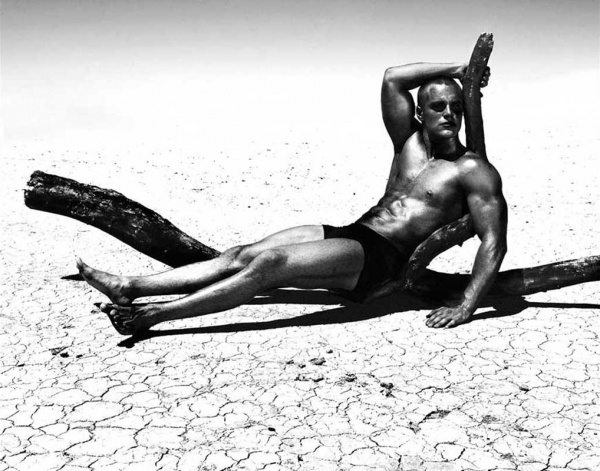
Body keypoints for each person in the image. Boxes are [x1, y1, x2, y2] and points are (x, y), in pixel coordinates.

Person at [77, 61, 507, 335]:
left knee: (269, 265)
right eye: (438, 106)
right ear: (420, 112)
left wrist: (466, 305)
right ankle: (130, 287)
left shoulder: (473, 171)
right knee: (242, 253)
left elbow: (493, 241)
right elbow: (392, 77)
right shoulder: (409, 143)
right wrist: (461, 68)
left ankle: (152, 316)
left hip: (383, 259)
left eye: (456, 106)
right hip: (355, 233)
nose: (449, 114)